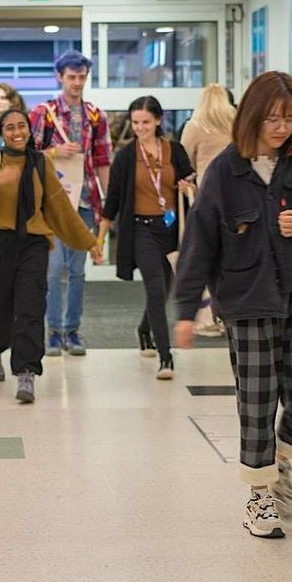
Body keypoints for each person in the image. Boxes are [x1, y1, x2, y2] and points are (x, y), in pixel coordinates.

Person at [173, 71, 292, 539]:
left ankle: (283, 459)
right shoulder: (226, 170)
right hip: (246, 301)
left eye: (290, 119)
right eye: (272, 118)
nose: (282, 127)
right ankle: (260, 493)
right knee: (258, 399)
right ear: (252, 116)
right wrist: (186, 310)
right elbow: (200, 242)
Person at [0, 109, 101, 402]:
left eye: (22, 126)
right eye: (10, 127)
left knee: (31, 307)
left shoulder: (40, 163)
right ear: (1, 132)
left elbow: (60, 207)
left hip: (33, 244)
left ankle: (26, 372)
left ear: (29, 130)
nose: (17, 132)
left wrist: (88, 241)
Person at [97, 97, 194, 377]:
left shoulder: (174, 150)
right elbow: (112, 201)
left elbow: (190, 178)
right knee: (154, 288)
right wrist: (100, 239)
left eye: (146, 122)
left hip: (172, 228)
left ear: (158, 121)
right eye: (136, 122)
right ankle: (166, 357)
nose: (140, 128)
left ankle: (143, 329)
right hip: (140, 229)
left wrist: (187, 183)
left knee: (164, 290)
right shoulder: (126, 157)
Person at [29, 51, 112, 356]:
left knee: (77, 271)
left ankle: (72, 330)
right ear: (60, 77)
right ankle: (52, 331)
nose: (77, 83)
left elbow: (103, 160)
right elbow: (26, 154)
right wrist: (55, 151)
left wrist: (108, 202)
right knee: (52, 270)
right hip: (52, 202)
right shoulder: (43, 113)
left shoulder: (96, 116)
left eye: (81, 77)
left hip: (86, 201)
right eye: (71, 77)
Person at [179, 83, 237, 338]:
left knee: (204, 256)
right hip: (236, 199)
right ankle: (229, 312)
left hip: (206, 197)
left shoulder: (194, 126)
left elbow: (184, 161)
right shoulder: (236, 122)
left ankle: (209, 314)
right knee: (232, 259)